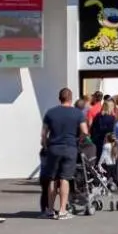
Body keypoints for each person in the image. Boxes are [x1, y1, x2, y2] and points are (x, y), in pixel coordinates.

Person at [40, 88, 87, 219]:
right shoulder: (77, 113)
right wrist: (78, 140)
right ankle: (62, 210)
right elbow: (85, 131)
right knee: (64, 178)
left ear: (59, 98)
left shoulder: (50, 113)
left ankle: (50, 209)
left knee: (52, 179)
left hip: (54, 148)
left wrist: (45, 145)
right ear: (71, 98)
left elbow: (44, 133)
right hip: (70, 148)